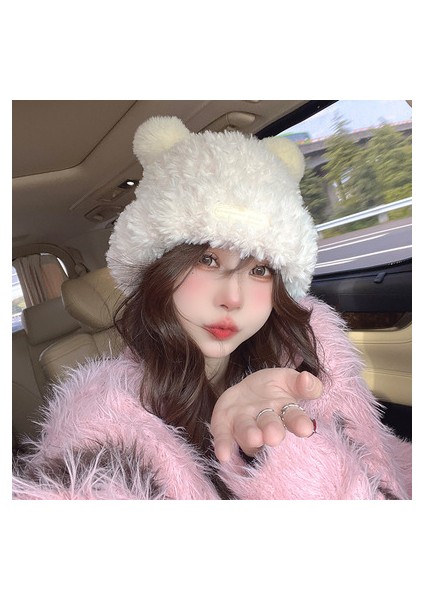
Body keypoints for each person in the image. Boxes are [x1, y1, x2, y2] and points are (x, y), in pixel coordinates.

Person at [12, 116, 412, 500]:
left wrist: (284, 451)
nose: (233, 298)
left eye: (260, 269)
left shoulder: (314, 361)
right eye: (207, 260)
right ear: (159, 268)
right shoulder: (102, 421)